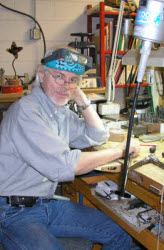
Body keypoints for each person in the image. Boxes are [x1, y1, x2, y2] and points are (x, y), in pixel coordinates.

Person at [0, 46, 140, 250]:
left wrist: (80, 99)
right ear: (41, 75)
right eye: (59, 76)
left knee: (119, 233)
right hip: (13, 211)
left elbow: (97, 135)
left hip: (44, 203)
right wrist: (120, 151)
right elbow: (65, 166)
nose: (65, 85)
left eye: (72, 79)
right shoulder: (27, 111)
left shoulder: (57, 111)